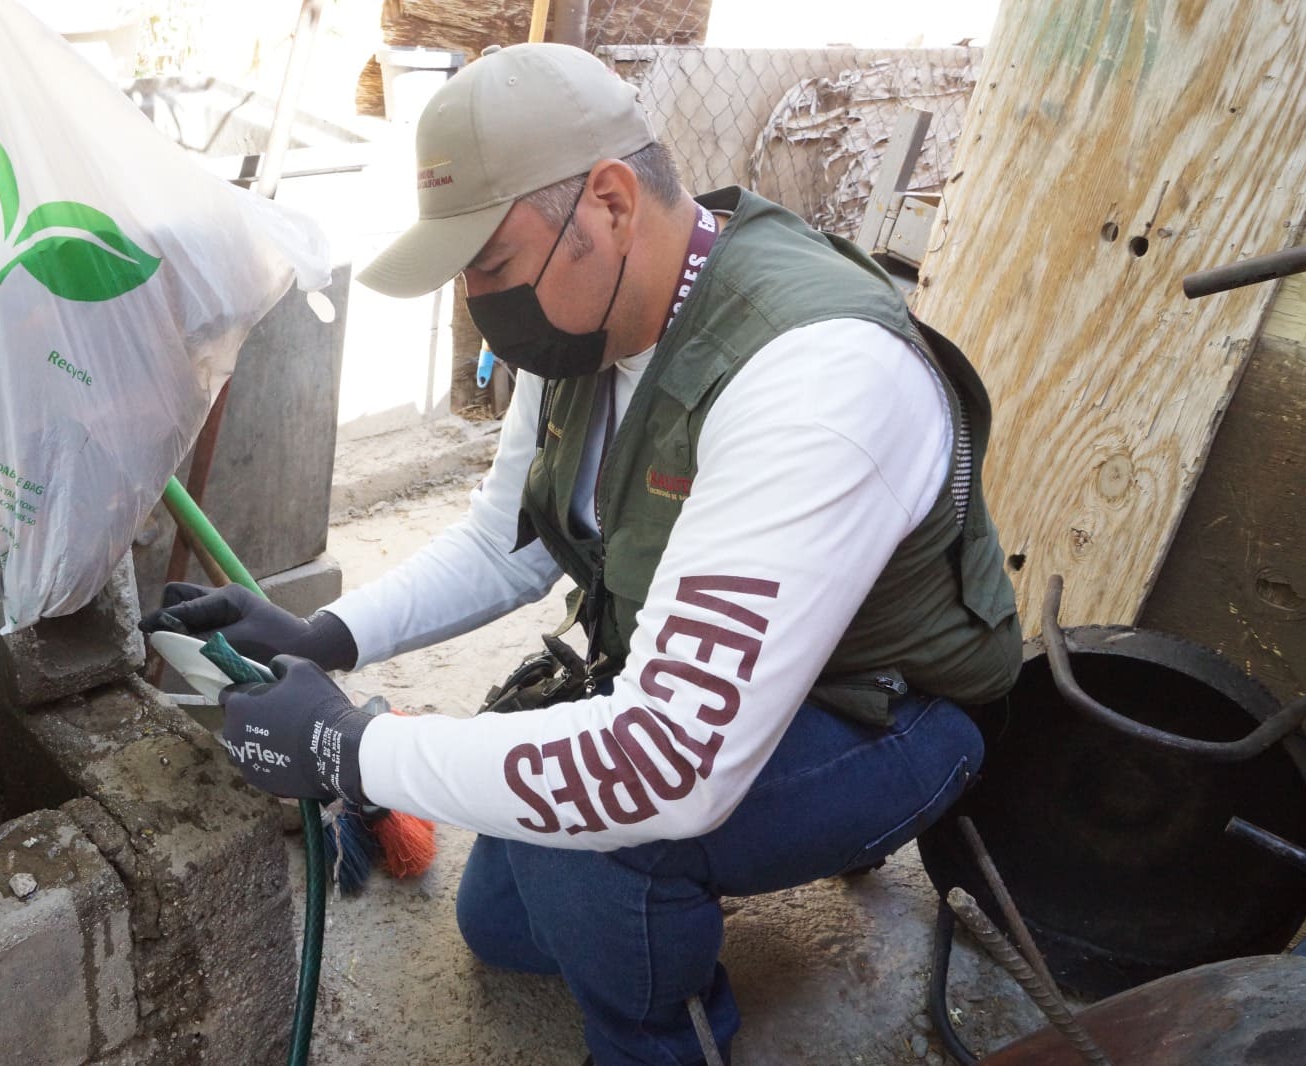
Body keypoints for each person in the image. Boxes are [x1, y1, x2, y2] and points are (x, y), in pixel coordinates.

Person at [141, 42, 1021, 1066]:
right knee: (503, 922)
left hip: (887, 710)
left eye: (494, 265)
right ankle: (663, 916)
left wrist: (352, 747)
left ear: (607, 202)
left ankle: (665, 1039)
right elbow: (504, 541)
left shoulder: (812, 378)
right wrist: (325, 633)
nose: (479, 300)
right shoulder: (588, 323)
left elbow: (660, 762)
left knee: (597, 839)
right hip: (731, 687)